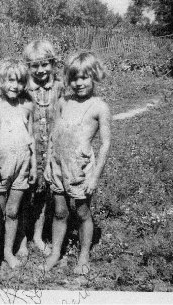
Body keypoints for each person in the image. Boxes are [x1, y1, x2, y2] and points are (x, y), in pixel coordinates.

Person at [43, 52, 111, 274]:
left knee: (82, 212)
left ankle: (83, 255)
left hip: (80, 168)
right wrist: (47, 165)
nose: (79, 83)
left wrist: (95, 176)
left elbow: (105, 144)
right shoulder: (63, 102)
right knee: (60, 211)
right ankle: (55, 252)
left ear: (95, 77)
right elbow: (54, 135)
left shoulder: (99, 107)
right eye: (74, 78)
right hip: (59, 164)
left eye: (84, 78)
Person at [0, 59, 37, 269]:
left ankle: (9, 251)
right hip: (2, 165)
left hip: (23, 164)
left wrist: (34, 165)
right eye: (10, 80)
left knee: (13, 210)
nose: (14, 86)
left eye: (19, 82)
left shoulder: (27, 105)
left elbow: (32, 138)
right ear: (0, 81)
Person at [23, 40, 64, 256]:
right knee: (22, 193)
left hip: (51, 149)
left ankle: (37, 235)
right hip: (28, 149)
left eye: (45, 65)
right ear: (27, 67)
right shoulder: (22, 88)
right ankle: (21, 238)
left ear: (53, 64)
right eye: (34, 66)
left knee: (42, 194)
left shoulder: (59, 87)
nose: (40, 70)